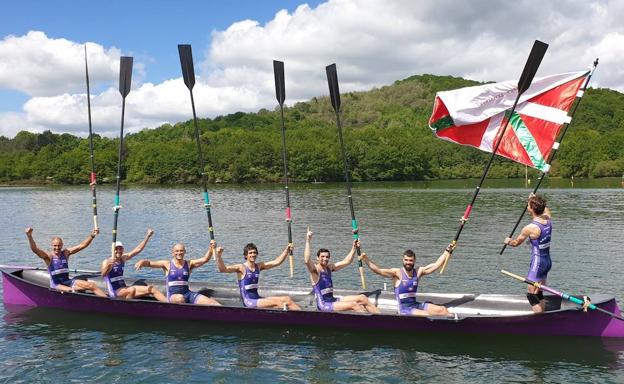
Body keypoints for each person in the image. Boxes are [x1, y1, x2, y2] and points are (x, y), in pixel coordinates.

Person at [360, 246, 454, 316]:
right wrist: (366, 259)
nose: (408, 262)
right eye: (406, 260)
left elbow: (436, 265)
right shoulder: (397, 273)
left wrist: (447, 251)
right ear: (403, 260)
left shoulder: (418, 272)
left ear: (414, 261)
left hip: (415, 305)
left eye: (410, 260)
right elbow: (379, 271)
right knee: (425, 315)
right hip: (404, 309)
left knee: (443, 310)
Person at [303, 228, 380, 314]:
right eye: (322, 256)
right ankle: (369, 324)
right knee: (354, 305)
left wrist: (354, 248)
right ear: (317, 258)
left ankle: (382, 318)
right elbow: (306, 260)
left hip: (333, 300)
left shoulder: (329, 268)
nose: (325, 259)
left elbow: (347, 261)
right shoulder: (315, 271)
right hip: (324, 305)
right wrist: (308, 240)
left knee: (362, 298)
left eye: (327, 257)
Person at [215, 242, 301, 310]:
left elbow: (277, 262)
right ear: (246, 255)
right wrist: (218, 256)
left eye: (255, 252)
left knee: (287, 299)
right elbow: (223, 269)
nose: (253, 255)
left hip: (257, 298)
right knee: (279, 303)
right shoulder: (241, 268)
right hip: (249, 302)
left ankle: (304, 316)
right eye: (250, 253)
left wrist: (287, 250)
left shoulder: (259, 266)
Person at [504, 194, 552, 313]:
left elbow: (516, 243)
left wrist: (508, 241)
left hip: (538, 263)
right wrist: (534, 199)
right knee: (539, 291)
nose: (527, 206)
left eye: (528, 205)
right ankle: (543, 315)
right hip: (547, 262)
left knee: (531, 293)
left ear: (531, 209)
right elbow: (545, 209)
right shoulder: (548, 219)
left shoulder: (530, 228)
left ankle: (540, 320)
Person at [25, 227, 107, 297]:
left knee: (92, 285)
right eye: (55, 246)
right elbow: (35, 250)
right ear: (52, 245)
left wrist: (92, 236)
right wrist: (29, 236)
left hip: (68, 282)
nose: (57, 248)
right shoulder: (48, 257)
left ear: (62, 245)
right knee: (73, 292)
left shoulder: (66, 253)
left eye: (59, 245)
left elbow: (82, 246)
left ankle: (110, 302)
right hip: (57, 285)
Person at [134, 241, 221, 305]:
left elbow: (205, 259)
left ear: (185, 252)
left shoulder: (189, 264)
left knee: (213, 303)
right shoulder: (167, 264)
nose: (179, 253)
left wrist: (211, 249)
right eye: (177, 251)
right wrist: (143, 261)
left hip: (188, 294)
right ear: (173, 253)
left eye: (181, 251)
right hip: (173, 296)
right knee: (180, 298)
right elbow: (150, 263)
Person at [100, 229, 166, 301]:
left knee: (151, 289)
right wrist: (109, 265)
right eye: (116, 249)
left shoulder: (123, 258)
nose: (118, 251)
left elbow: (138, 249)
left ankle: (171, 307)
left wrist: (148, 236)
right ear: (112, 250)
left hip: (125, 289)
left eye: (120, 249)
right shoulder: (107, 261)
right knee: (131, 290)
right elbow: (103, 274)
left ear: (123, 250)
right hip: (115, 292)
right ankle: (126, 309)